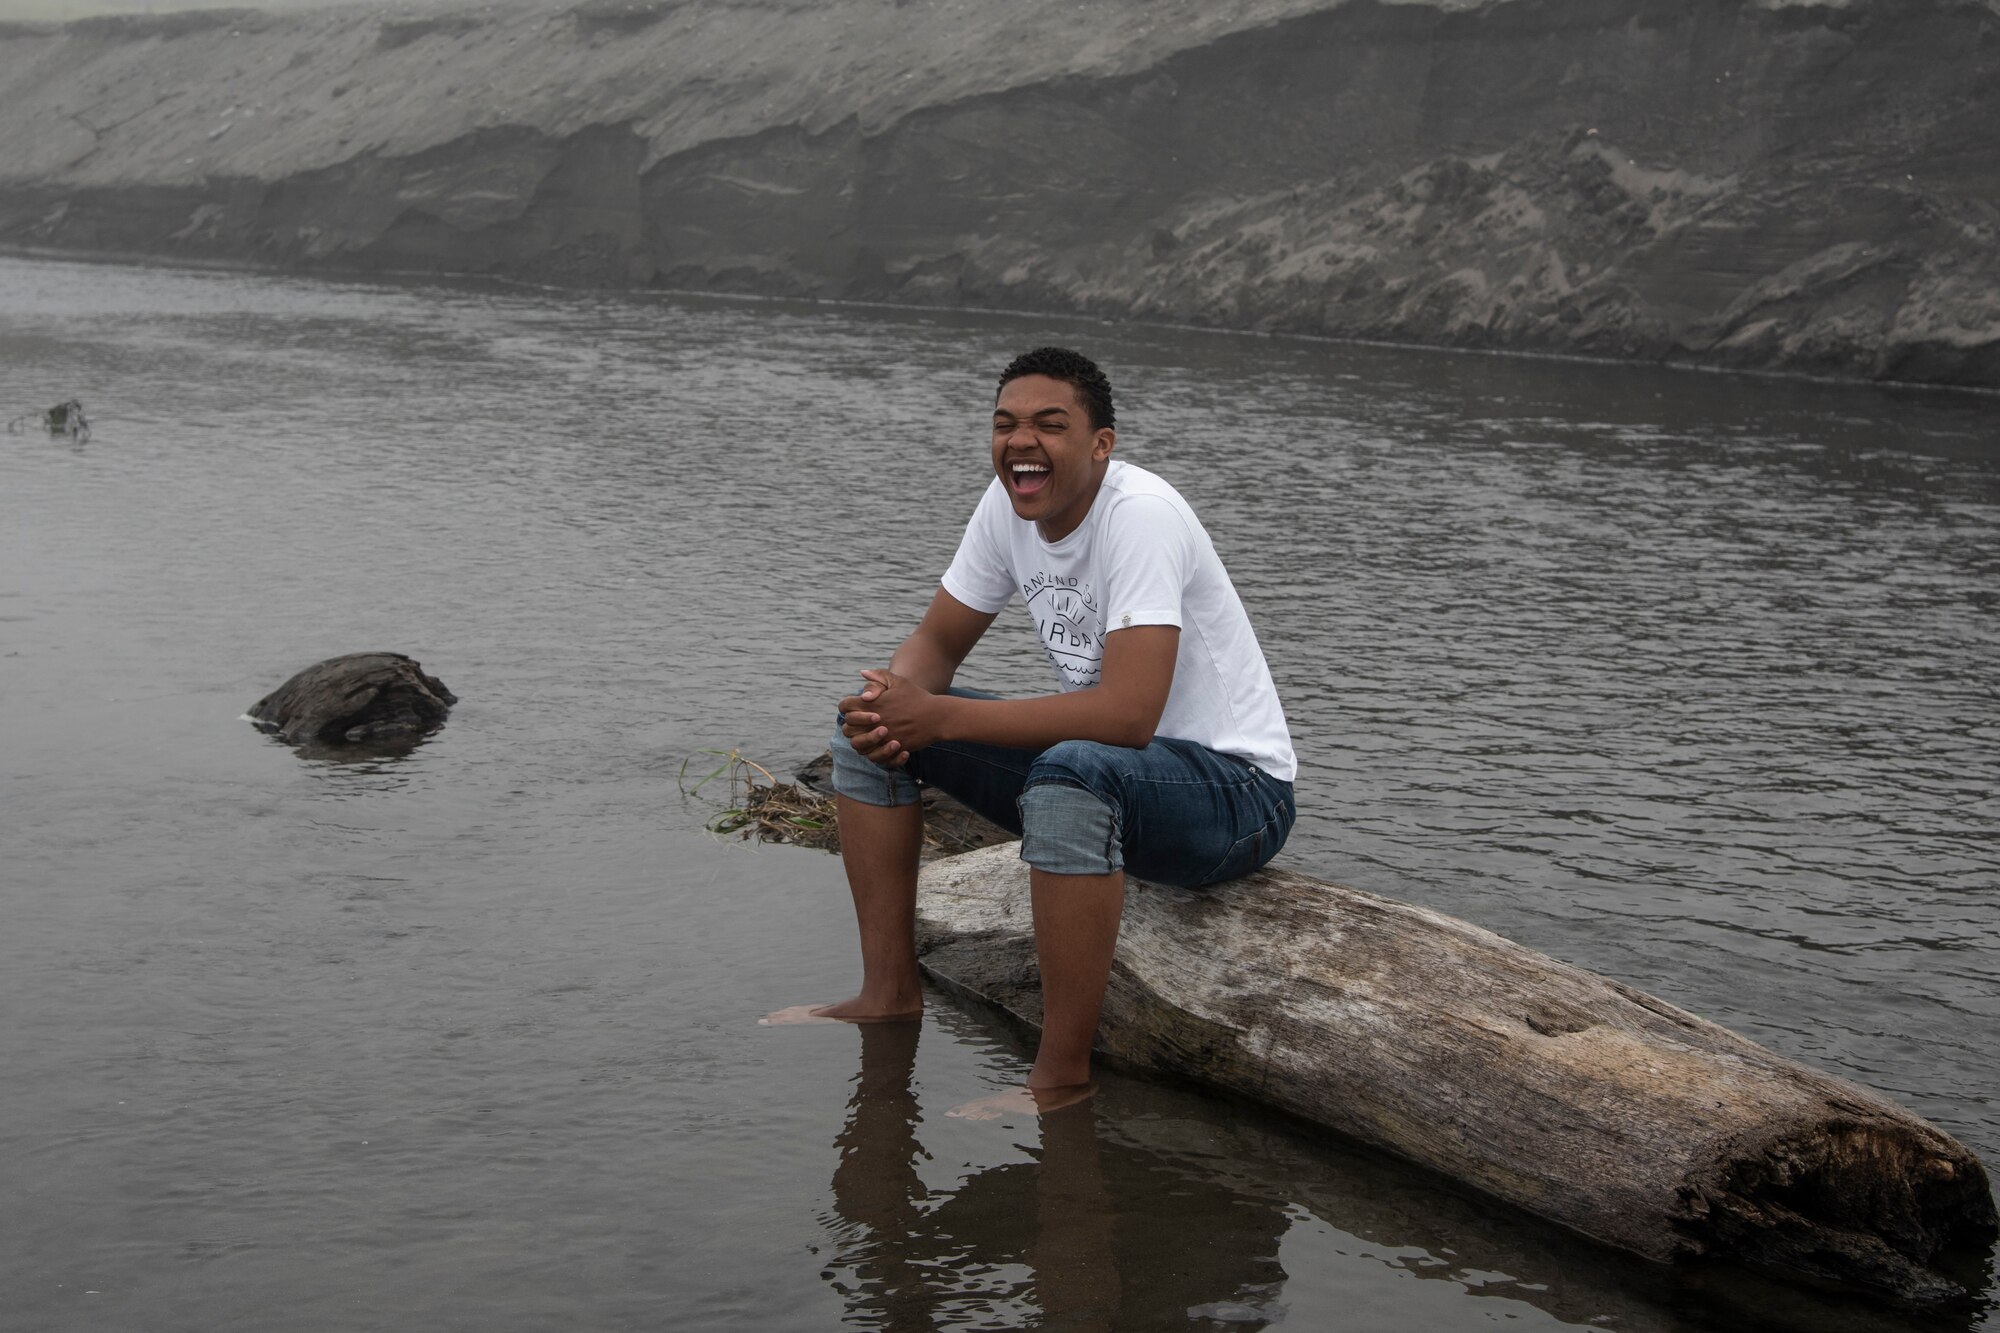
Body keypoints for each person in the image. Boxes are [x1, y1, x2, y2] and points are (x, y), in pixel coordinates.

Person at [767, 347, 1296, 1118]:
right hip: (1121, 771)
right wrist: (894, 697)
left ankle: (1060, 1077)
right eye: (1006, 424)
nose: (1022, 442)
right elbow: (938, 644)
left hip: (1235, 795)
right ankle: (888, 993)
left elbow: (1128, 713)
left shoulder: (1140, 516)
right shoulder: (1008, 504)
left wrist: (941, 715)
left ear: (1100, 444)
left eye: (1051, 425)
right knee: (866, 727)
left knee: (1071, 773)